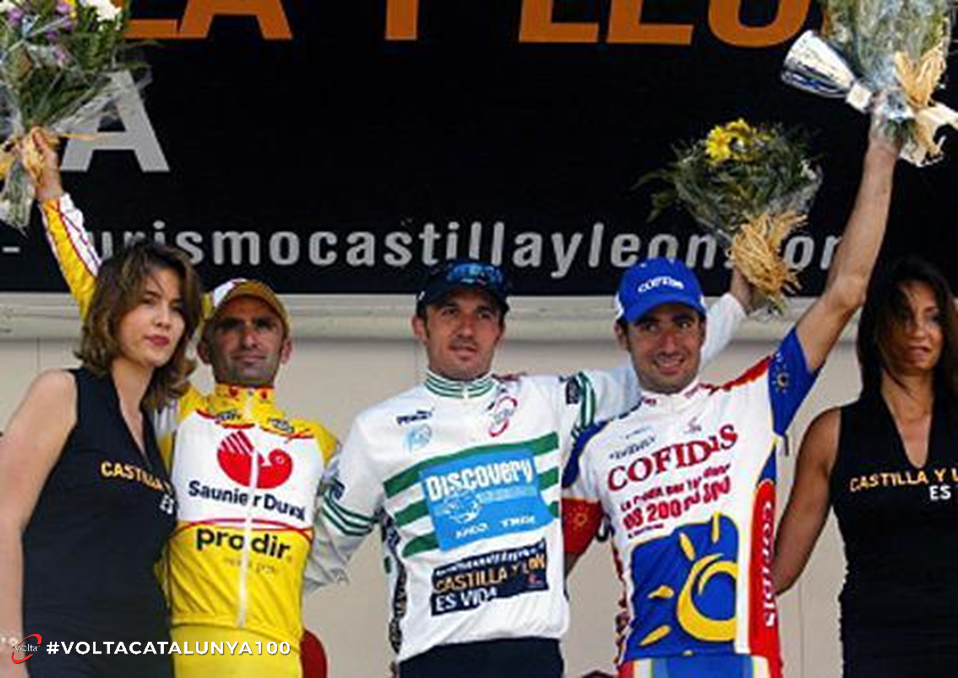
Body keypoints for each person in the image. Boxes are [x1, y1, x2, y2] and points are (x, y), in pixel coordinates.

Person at [309, 254, 749, 678]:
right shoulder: (378, 430)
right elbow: (320, 553)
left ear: (499, 331)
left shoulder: (545, 402)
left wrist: (738, 303)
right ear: (420, 326)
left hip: (533, 656)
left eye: (483, 314)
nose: (467, 329)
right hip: (434, 659)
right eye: (449, 312)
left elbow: (660, 364)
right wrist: (265, 641)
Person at [561, 129, 898, 678]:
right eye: (649, 325)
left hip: (748, 665)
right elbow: (545, 582)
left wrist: (882, 152)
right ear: (623, 336)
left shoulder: (754, 402)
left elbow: (846, 292)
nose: (668, 342)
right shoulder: (596, 447)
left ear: (703, 329)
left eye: (682, 322)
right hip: (647, 667)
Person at [30, 131, 339, 678]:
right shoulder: (178, 410)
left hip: (275, 655)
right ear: (203, 346)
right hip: (183, 650)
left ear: (286, 347)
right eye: (230, 325)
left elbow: (370, 511)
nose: (248, 338)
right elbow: (101, 298)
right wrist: (52, 195)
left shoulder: (319, 442)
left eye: (263, 325)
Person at [0, 239, 204, 678]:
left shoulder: (153, 428)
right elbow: (4, 522)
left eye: (177, 308)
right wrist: (7, 657)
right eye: (148, 301)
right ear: (113, 309)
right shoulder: (63, 392)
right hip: (58, 646)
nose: (164, 320)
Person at [773, 257, 958, 677]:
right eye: (904, 315)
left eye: (933, 317)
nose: (918, 330)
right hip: (880, 648)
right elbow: (779, 571)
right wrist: (680, 607)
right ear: (876, 327)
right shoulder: (832, 434)